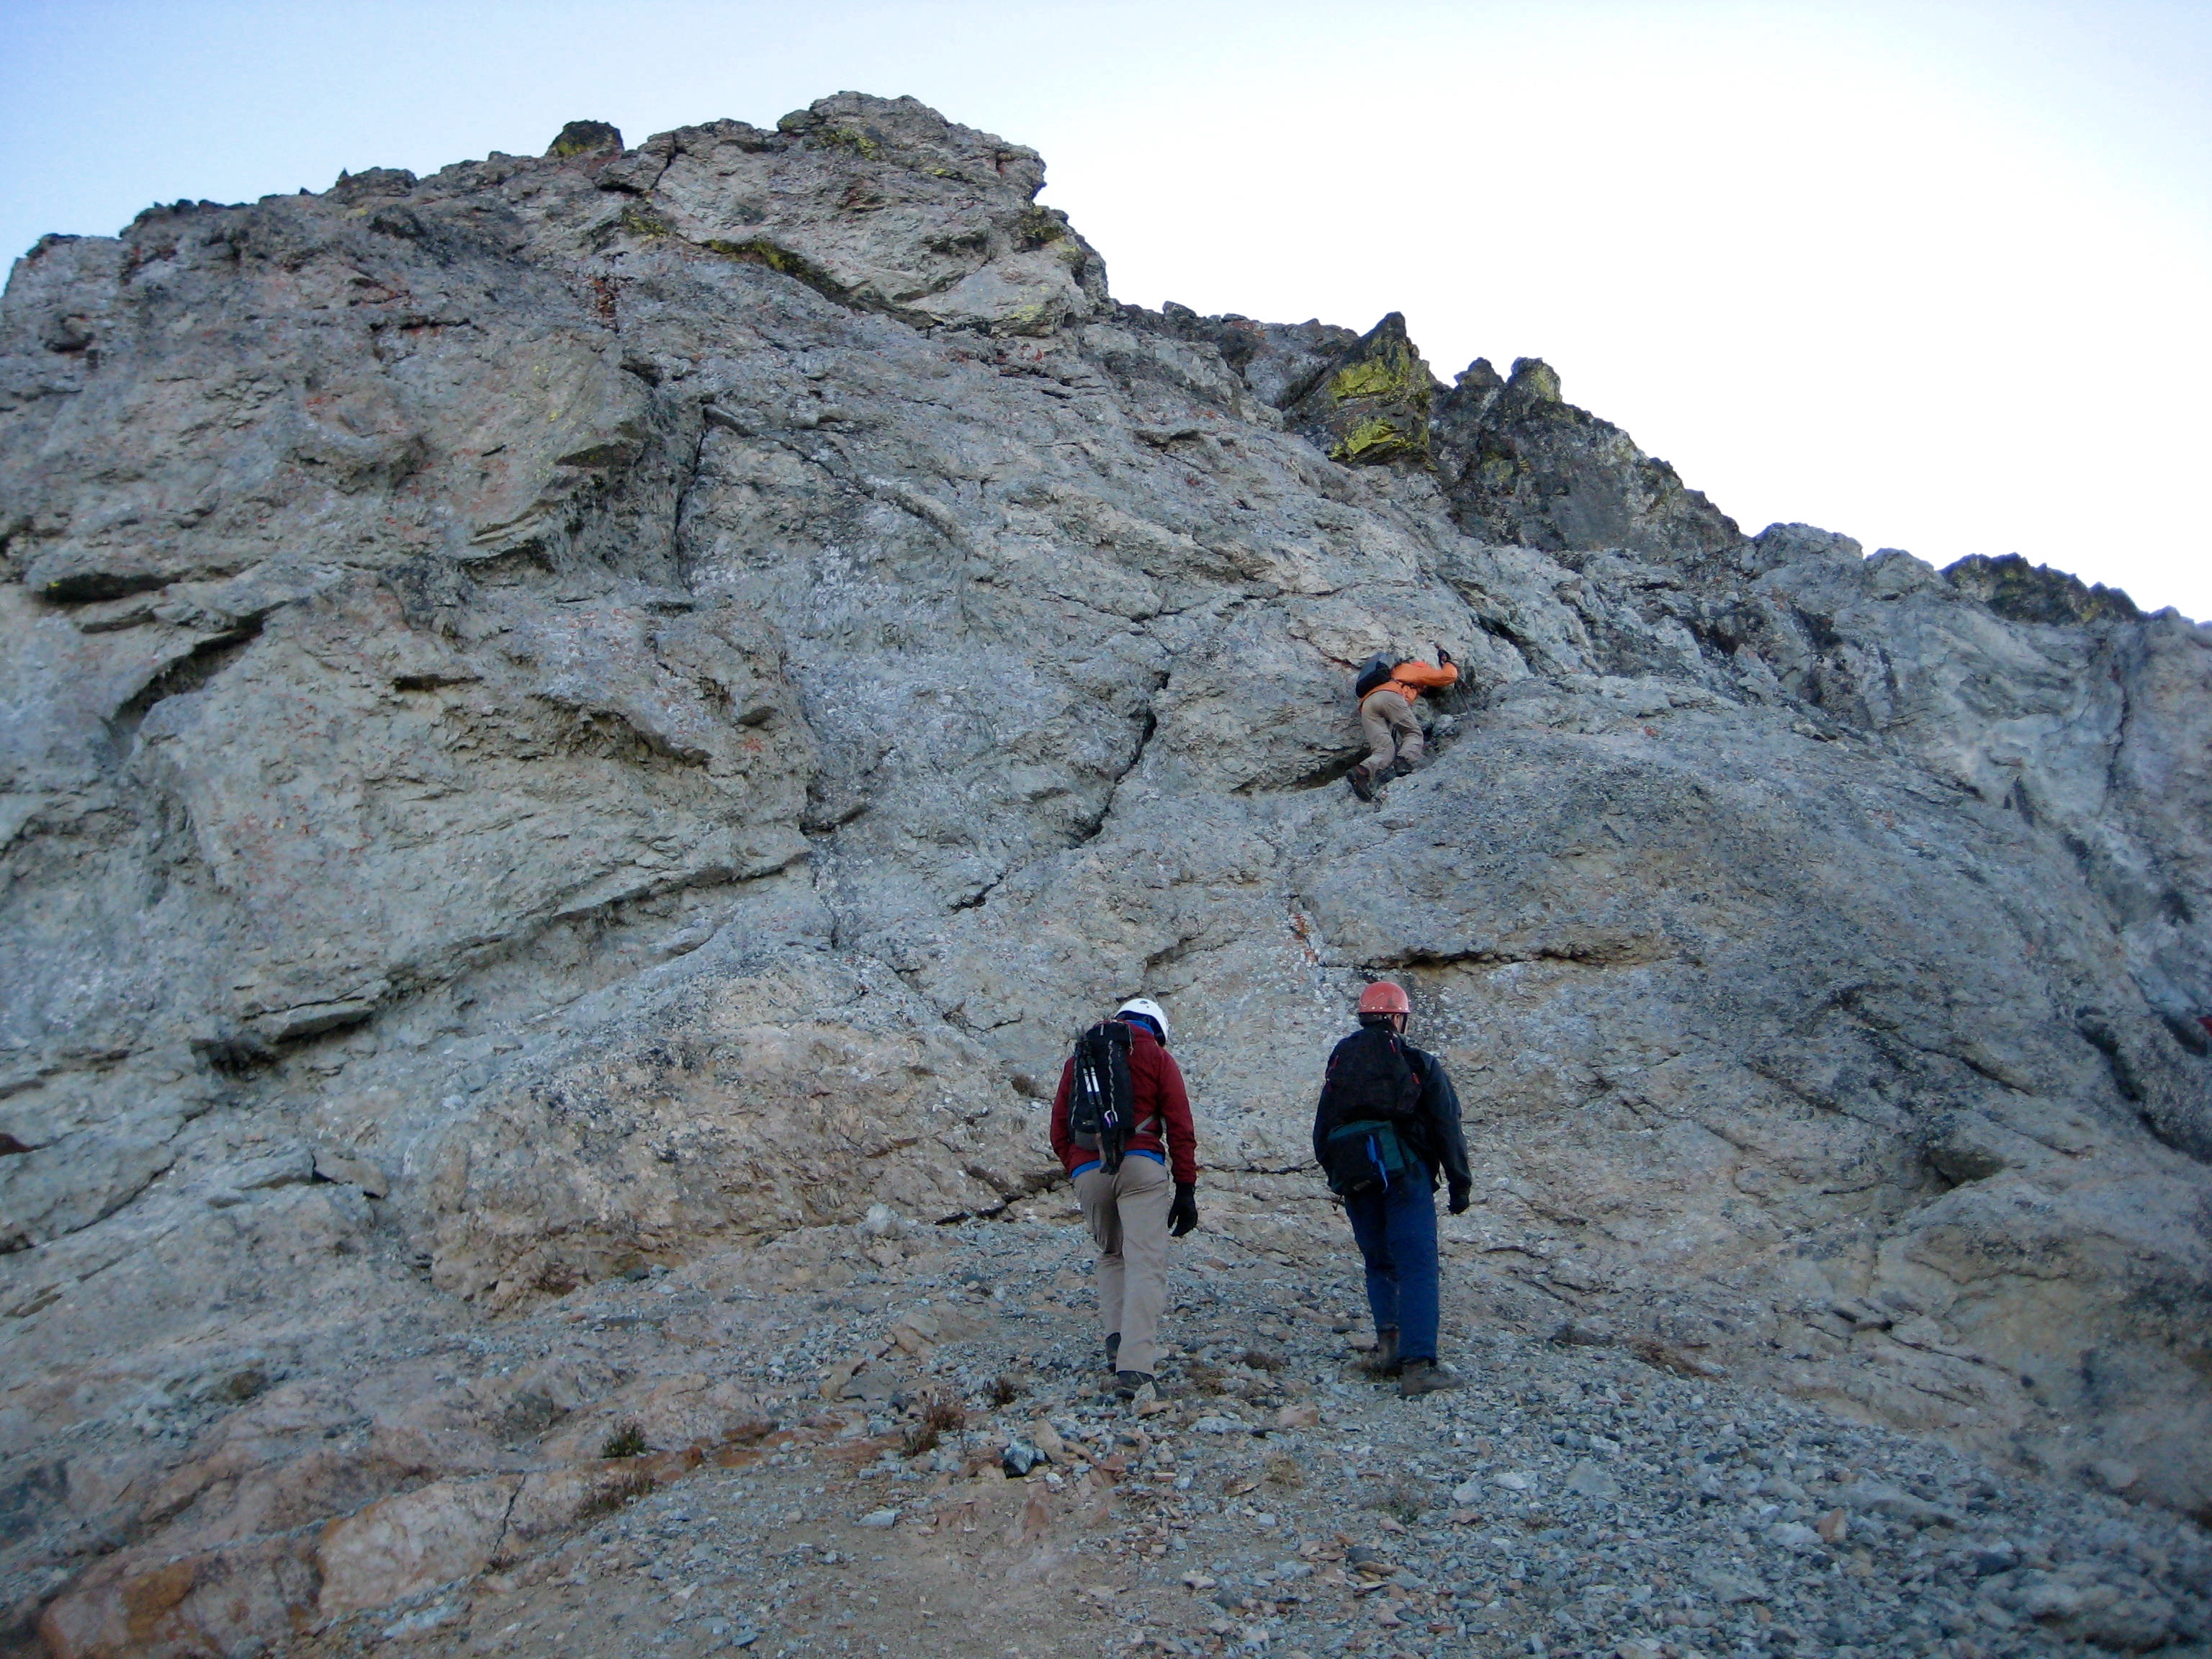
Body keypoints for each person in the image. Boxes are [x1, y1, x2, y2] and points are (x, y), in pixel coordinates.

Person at [1312, 981, 1473, 1396]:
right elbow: (1446, 1125)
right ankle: (1418, 1366)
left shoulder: (1341, 1063)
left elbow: (1322, 1130)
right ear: (1398, 1017)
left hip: (1356, 1176)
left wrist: (1340, 1176)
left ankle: (1389, 1348)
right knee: (1416, 1263)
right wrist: (1459, 1183)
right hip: (1406, 1173)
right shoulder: (1417, 1061)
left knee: (1379, 1261)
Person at [1049, 997, 1200, 1396]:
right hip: (1141, 1166)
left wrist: (1079, 1168)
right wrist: (1186, 1188)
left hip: (1087, 1170)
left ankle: (1116, 1340)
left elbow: (1058, 1128)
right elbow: (1181, 1127)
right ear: (1158, 1029)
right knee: (1146, 1262)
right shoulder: (1157, 1057)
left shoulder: (1081, 1056)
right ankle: (1135, 1367)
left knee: (1112, 1255)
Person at [1349, 646, 1458, 801]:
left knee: (1383, 751)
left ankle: (1362, 772)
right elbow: (1448, 676)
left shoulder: (1391, 673)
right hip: (1390, 696)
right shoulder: (1414, 669)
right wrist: (1448, 662)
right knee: (1413, 733)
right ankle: (1404, 761)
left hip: (1367, 705)